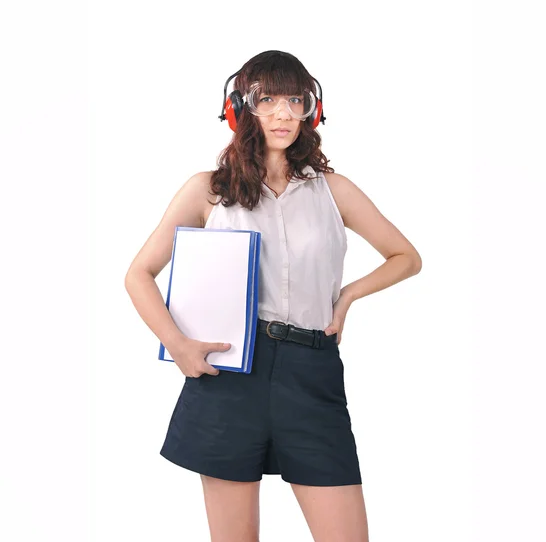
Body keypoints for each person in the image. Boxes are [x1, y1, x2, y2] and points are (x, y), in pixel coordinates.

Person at [124, 50, 422, 542]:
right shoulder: (208, 191)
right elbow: (140, 273)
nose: (283, 113)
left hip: (312, 373)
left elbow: (405, 256)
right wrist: (176, 344)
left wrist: (347, 296)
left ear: (312, 111)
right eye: (267, 100)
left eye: (294, 100)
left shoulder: (334, 191)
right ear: (241, 109)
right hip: (230, 376)